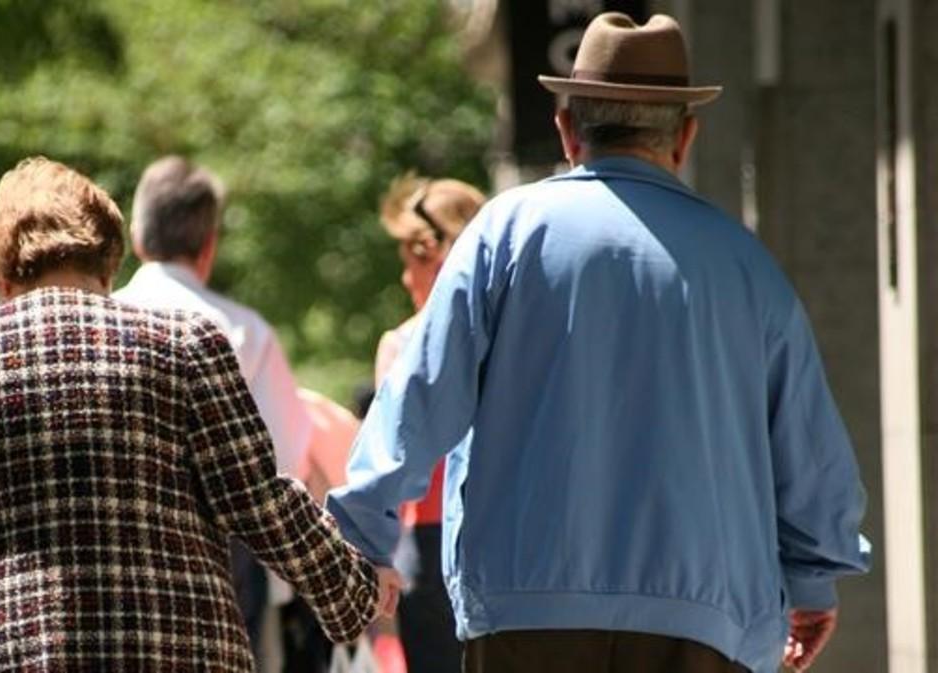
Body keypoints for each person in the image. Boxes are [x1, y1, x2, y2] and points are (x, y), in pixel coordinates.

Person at [326, 12, 870, 673]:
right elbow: (807, 448)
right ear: (687, 137)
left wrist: (364, 532)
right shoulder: (745, 264)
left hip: (524, 611)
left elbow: (421, 394)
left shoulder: (506, 234)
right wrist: (811, 581)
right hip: (702, 619)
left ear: (566, 126)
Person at [0, 156, 399, 672]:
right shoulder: (184, 344)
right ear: (110, 263)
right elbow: (258, 500)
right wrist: (353, 589)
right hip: (174, 651)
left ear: (3, 276)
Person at [112, 156, 315, 658]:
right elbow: (285, 459)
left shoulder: (99, 322)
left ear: (136, 238)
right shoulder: (244, 331)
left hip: (115, 547)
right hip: (222, 556)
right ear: (209, 245)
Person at [373, 174, 485, 673]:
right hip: (504, 536)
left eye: (407, 263)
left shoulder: (402, 345)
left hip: (430, 540)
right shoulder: (515, 333)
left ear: (429, 255)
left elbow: (389, 463)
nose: (404, 279)